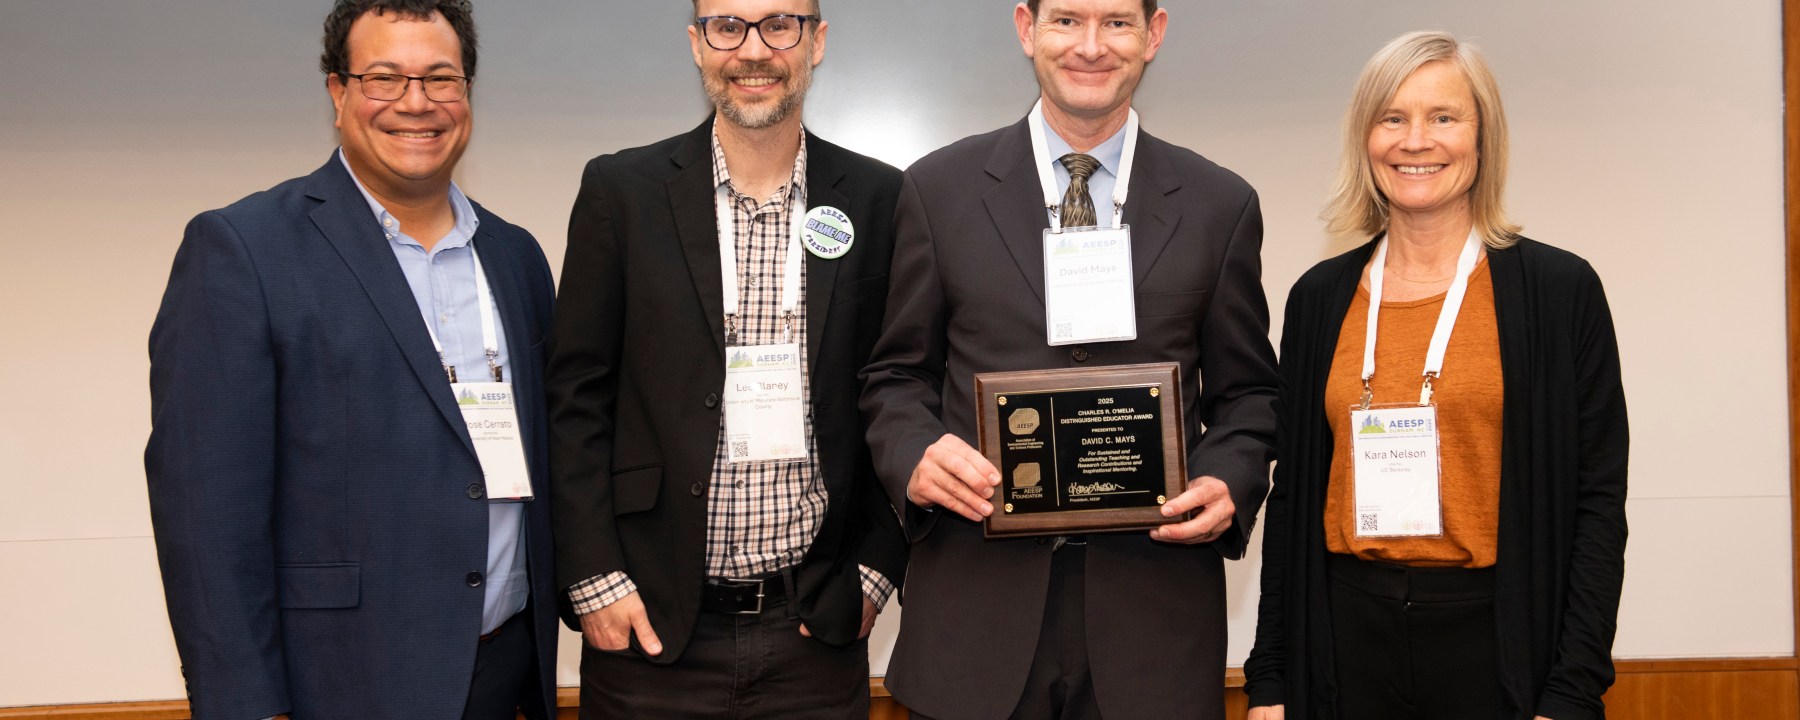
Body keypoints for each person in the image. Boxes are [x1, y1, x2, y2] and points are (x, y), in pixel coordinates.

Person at [858, 0, 1279, 717]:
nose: (1091, 46)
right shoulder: (937, 190)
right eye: (1067, 20)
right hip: (976, 615)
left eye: (1116, 21)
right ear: (1026, 28)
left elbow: (1249, 395)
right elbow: (896, 376)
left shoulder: (1219, 203)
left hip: (1154, 623)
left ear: (1155, 33)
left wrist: (1227, 479)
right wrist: (917, 453)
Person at [144, 2, 558, 718]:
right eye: (385, 78)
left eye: (440, 78)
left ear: (467, 94)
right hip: (337, 683)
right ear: (338, 94)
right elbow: (203, 511)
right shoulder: (243, 251)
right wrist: (244, 704)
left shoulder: (515, 256)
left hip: (502, 668)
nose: (416, 103)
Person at [1242, 30, 1628, 720]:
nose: (1414, 141)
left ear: (1484, 138)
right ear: (1366, 139)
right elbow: (1294, 496)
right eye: (1392, 118)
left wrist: (1572, 691)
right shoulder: (1319, 298)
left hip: (1496, 645)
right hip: (1343, 641)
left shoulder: (1560, 292)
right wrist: (1270, 677)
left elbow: (1597, 504)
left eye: (1443, 117)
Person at [545, 0, 907, 716]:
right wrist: (594, 578)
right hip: (649, 626)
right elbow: (575, 395)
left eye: (780, 24)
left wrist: (874, 571)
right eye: (727, 26)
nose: (753, 49)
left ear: (816, 40)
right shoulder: (622, 192)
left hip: (814, 631)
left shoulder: (879, 197)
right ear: (696, 43)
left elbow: (902, 387)